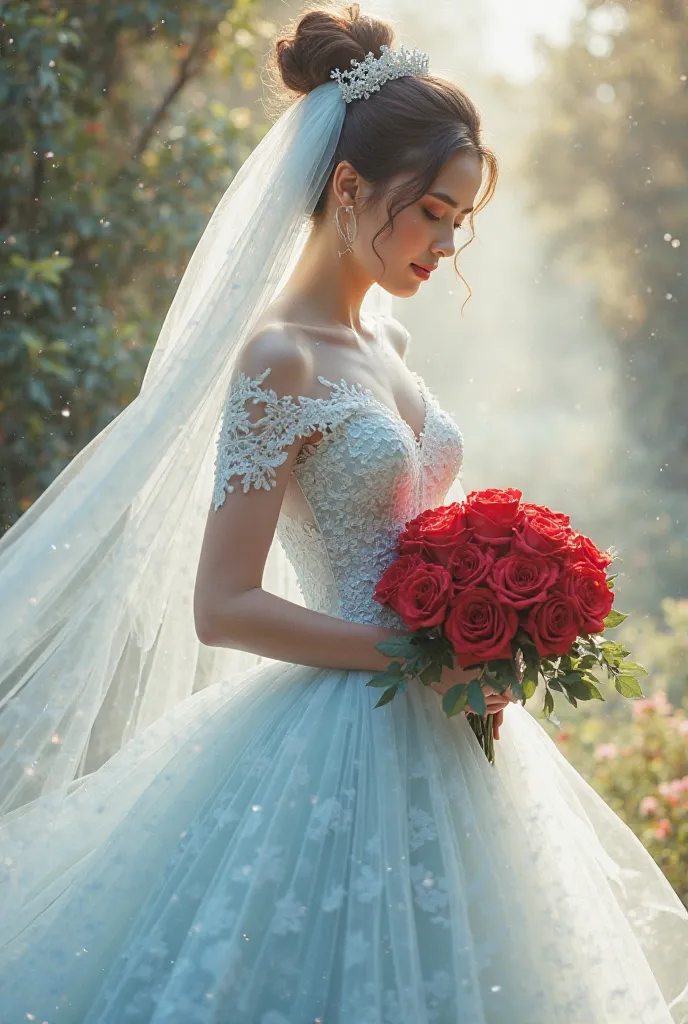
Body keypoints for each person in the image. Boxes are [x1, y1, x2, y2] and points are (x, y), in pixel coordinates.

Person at [0, 3, 686, 1022]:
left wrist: (492, 603)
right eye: (432, 213)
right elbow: (223, 605)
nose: (446, 243)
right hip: (336, 731)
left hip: (450, 726)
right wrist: (412, 651)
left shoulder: (391, 346)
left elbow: (417, 524)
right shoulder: (280, 357)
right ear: (351, 185)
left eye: (460, 221)